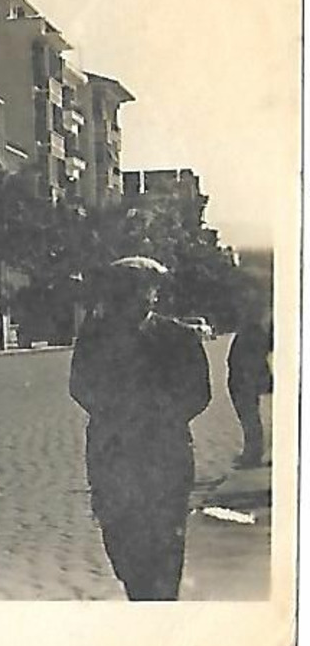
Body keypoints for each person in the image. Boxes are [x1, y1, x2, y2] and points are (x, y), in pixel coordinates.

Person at [68, 255, 211, 601]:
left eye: (143, 290)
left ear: (154, 295)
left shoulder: (178, 338)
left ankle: (158, 610)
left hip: (164, 454)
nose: (135, 298)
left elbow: (199, 393)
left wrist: (158, 415)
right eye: (126, 291)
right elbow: (79, 386)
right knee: (119, 541)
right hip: (112, 453)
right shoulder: (95, 338)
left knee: (165, 546)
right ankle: (139, 593)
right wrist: (115, 413)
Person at [226, 312, 273, 469]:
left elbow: (251, 362)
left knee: (250, 419)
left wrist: (250, 382)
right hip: (243, 381)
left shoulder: (253, 332)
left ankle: (253, 455)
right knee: (249, 419)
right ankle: (252, 452)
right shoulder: (251, 331)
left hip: (245, 382)